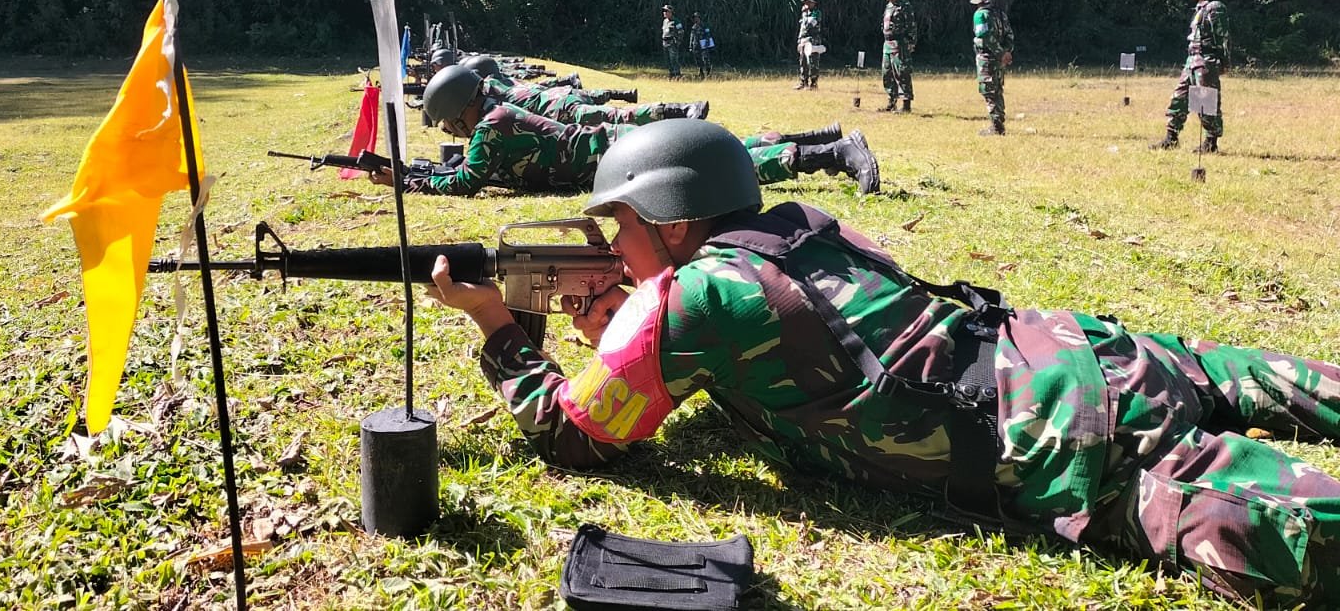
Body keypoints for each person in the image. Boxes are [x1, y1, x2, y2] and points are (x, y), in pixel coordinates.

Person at [426, 119, 1340, 605]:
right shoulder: (800, 226)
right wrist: (626, 327)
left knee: (1314, 536)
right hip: (1078, 349)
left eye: (619, 228)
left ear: (671, 222)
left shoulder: (690, 298)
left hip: (1069, 448)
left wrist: (497, 327)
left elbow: (576, 434)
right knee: (1267, 378)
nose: (610, 250)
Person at [371, 67, 880, 196]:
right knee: (716, 151)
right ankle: (825, 143)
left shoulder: (492, 127)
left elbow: (466, 181)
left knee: (714, 169)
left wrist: (408, 181)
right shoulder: (496, 117)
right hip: (612, 151)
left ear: (459, 111)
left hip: (616, 159)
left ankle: (831, 153)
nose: (451, 131)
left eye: (447, 121)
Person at [458, 58, 704, 127]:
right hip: (560, 98)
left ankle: (682, 110)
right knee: (611, 112)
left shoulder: (489, 91)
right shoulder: (505, 82)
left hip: (559, 109)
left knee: (617, 117)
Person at [1153, 0, 1227, 152]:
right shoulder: (1200, 7)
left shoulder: (1215, 8)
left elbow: (1222, 37)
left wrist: (1223, 61)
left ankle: (1210, 142)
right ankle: (1171, 137)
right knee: (1179, 98)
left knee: (1205, 100)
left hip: (1205, 60)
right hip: (1192, 59)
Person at [460, 55, 637, 105]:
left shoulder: (493, 90)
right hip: (556, 96)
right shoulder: (502, 82)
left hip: (556, 103)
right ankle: (621, 94)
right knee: (589, 97)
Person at [970, 0, 1015, 136]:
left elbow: (985, 36)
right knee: (997, 89)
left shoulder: (980, 15)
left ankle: (996, 126)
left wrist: (1001, 53)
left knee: (988, 90)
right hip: (999, 59)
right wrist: (1006, 52)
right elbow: (1009, 35)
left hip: (987, 58)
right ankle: (999, 123)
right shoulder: (1001, 15)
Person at [878, 0, 916, 112]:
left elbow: (911, 26)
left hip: (900, 44)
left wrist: (910, 43)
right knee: (887, 73)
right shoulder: (888, 7)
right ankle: (891, 101)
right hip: (887, 43)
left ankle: (906, 104)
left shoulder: (904, 6)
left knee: (902, 73)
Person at [795, 0, 824, 91]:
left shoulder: (816, 13)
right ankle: (803, 82)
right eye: (805, 2)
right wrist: (799, 39)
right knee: (802, 61)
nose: (806, 4)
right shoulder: (805, 14)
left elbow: (809, 25)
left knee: (813, 61)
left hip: (813, 40)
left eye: (808, 2)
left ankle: (814, 83)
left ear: (813, 3)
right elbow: (802, 28)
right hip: (803, 40)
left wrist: (805, 14)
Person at [687, 12, 715, 79]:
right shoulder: (693, 27)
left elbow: (708, 35)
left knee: (706, 59)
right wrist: (690, 46)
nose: (695, 19)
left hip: (704, 45)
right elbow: (692, 37)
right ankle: (701, 72)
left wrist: (709, 45)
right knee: (698, 59)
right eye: (694, 18)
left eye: (696, 17)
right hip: (696, 45)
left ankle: (708, 72)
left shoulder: (704, 26)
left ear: (699, 18)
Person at [660, 6, 684, 79]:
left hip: (672, 43)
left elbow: (681, 32)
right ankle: (671, 74)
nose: (664, 12)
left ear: (670, 12)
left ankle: (677, 74)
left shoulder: (676, 21)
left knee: (673, 59)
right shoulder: (665, 21)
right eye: (664, 11)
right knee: (667, 60)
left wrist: (678, 42)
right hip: (665, 43)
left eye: (666, 11)